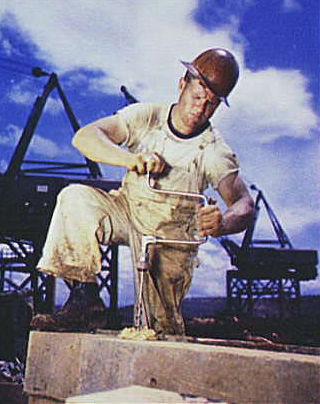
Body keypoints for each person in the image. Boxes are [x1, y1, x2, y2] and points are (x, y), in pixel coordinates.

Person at [31, 48, 254, 335]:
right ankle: (84, 300)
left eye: (210, 104)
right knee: (75, 198)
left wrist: (224, 222)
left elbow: (244, 204)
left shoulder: (213, 151)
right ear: (182, 83)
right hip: (126, 210)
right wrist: (130, 159)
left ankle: (199, 335)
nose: (199, 109)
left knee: (158, 329)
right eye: (197, 97)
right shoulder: (147, 117)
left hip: (170, 237)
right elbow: (84, 137)